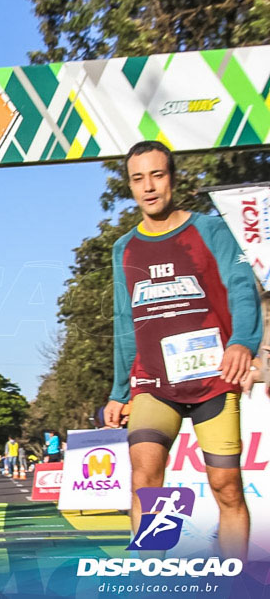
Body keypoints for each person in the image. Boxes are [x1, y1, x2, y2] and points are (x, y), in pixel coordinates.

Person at [104, 140, 263, 561]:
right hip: (153, 382)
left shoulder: (210, 230)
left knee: (226, 487)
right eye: (138, 179)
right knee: (145, 477)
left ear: (173, 178)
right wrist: (120, 391)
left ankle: (237, 579)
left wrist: (243, 342)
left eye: (157, 175)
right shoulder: (124, 248)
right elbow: (125, 321)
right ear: (130, 186)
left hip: (213, 378)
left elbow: (242, 290)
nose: (149, 187)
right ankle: (157, 573)